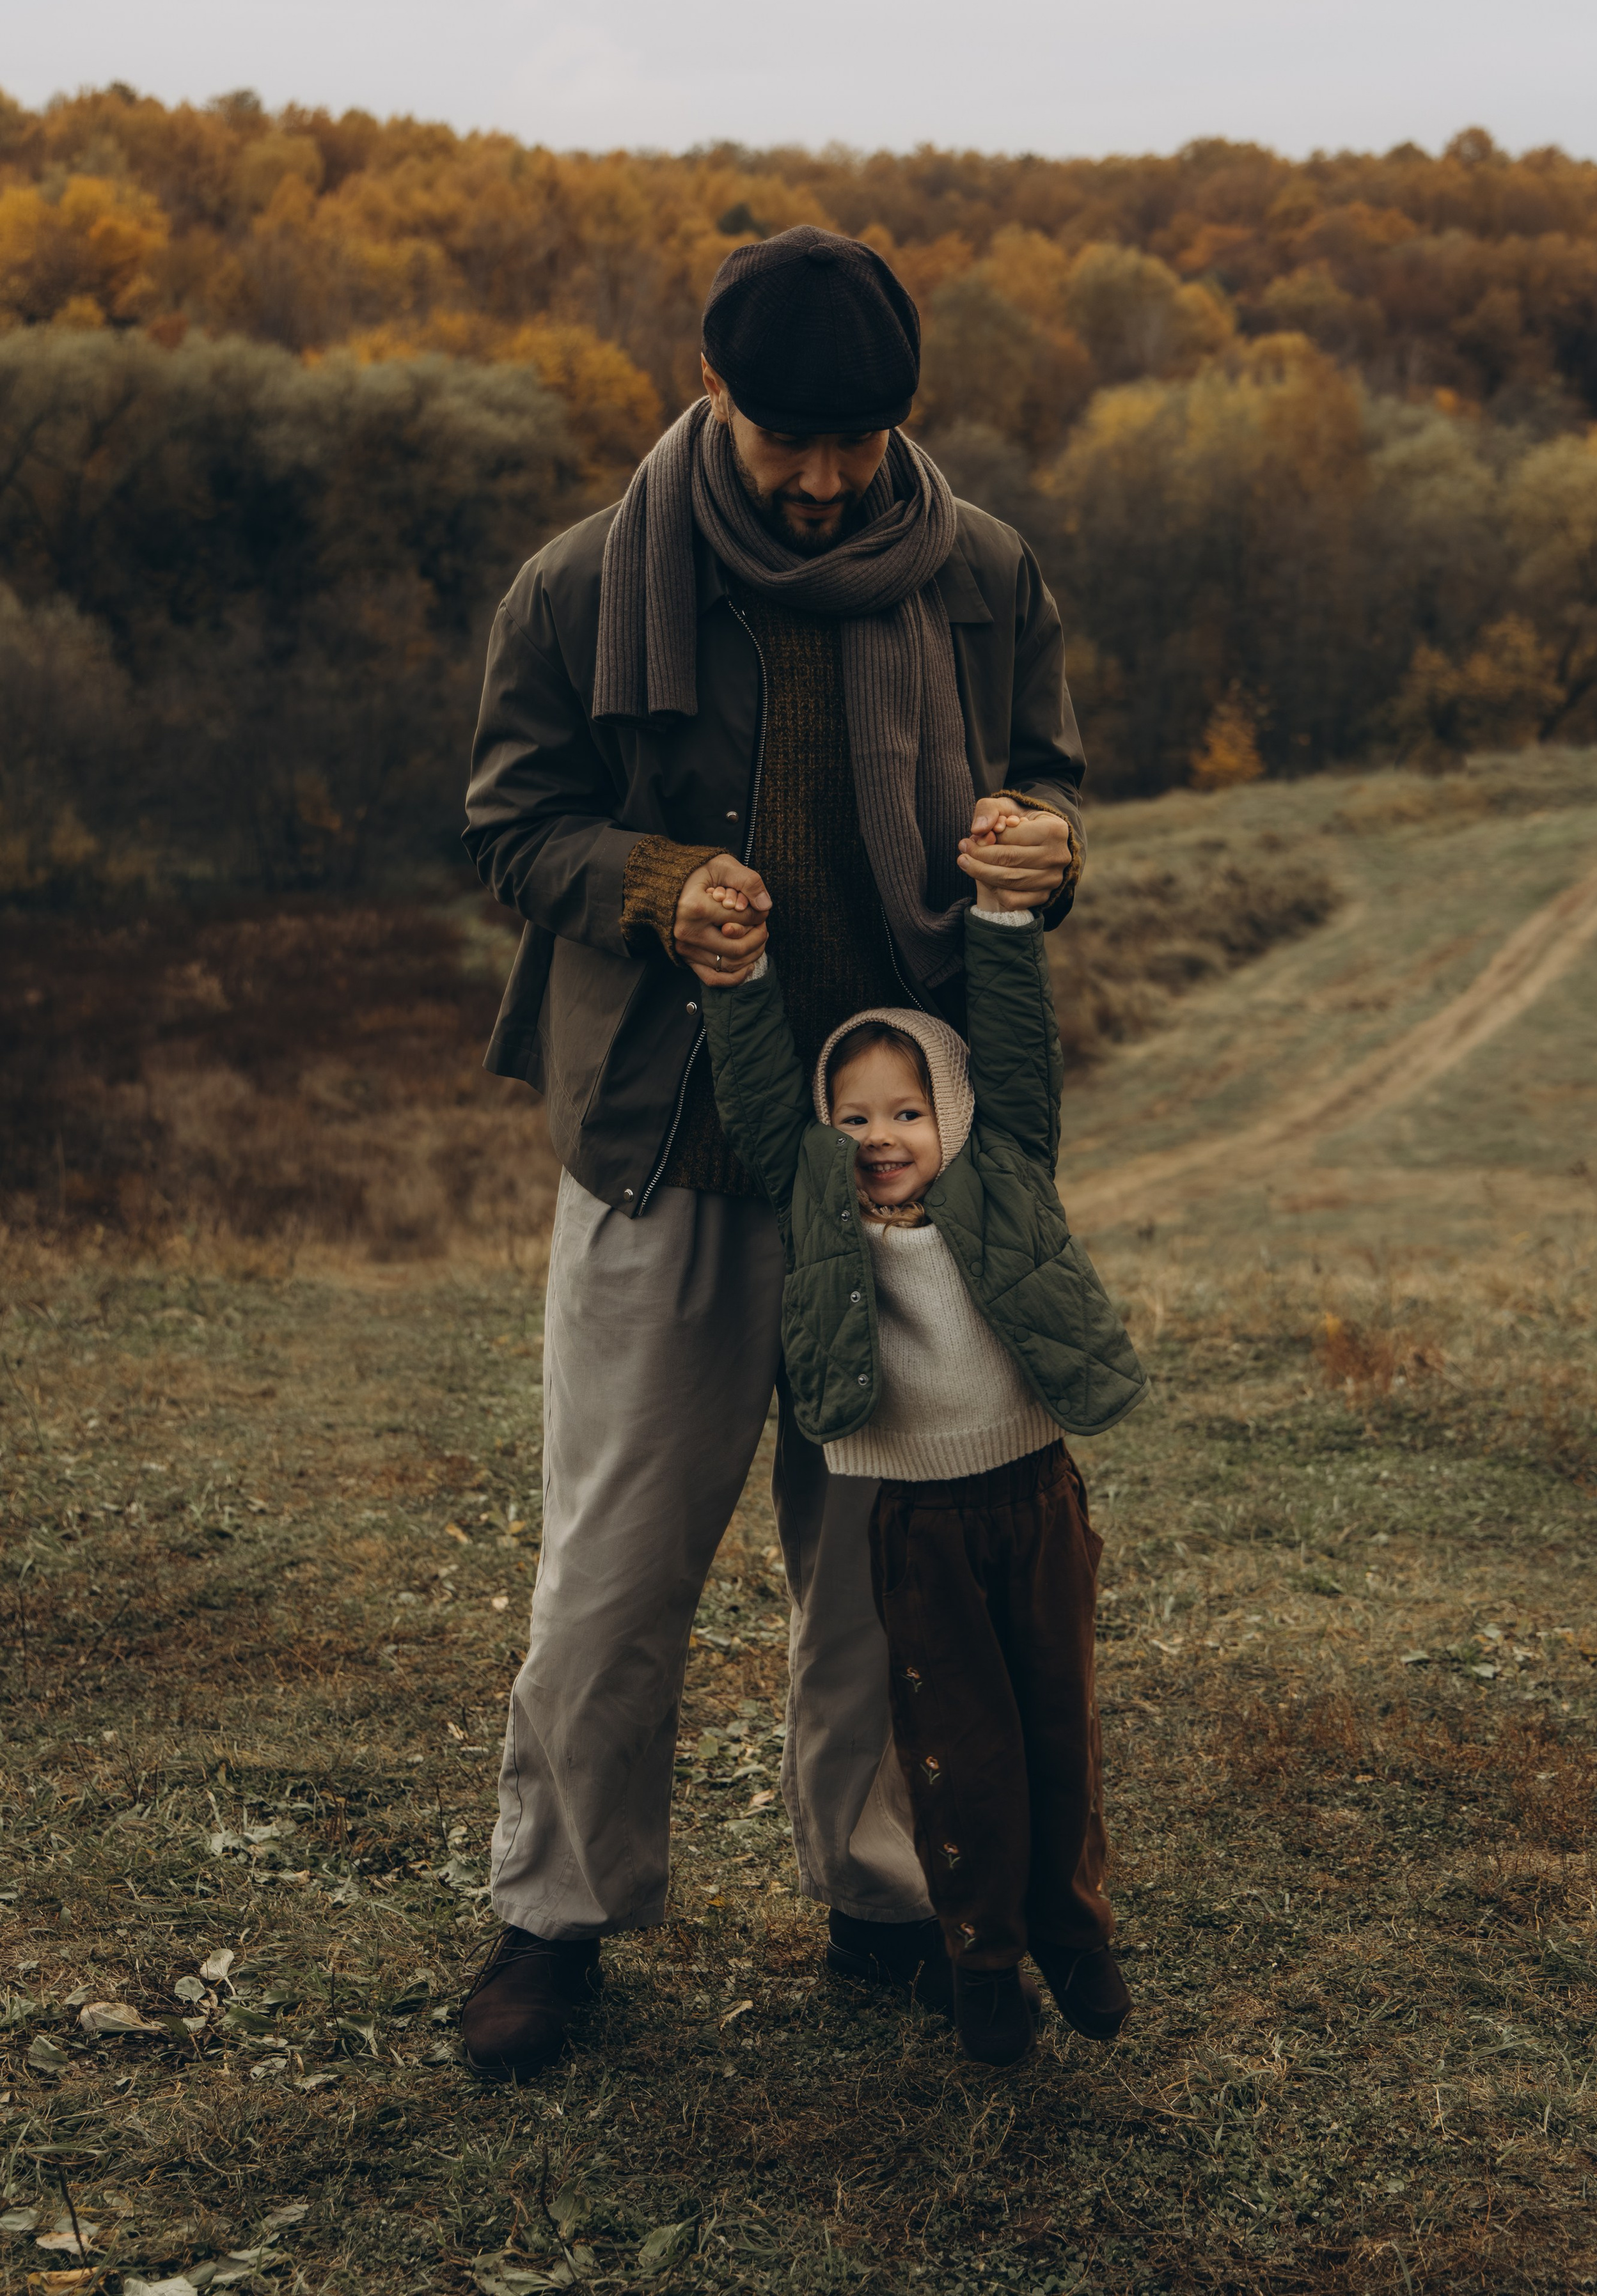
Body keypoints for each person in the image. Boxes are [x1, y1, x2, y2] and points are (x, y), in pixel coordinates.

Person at [460, 224, 1090, 2077]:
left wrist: (1048, 848)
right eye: (787, 441)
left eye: (860, 441)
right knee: (615, 1565)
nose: (824, 484)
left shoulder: (982, 574)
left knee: (884, 1568)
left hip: (904, 1165)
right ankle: (555, 1923)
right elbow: (511, 824)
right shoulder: (584, 587)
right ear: (713, 392)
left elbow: (1048, 777)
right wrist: (651, 884)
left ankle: (890, 1896)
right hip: (668, 1154)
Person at [697, 831, 1145, 2065]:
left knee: (1059, 1723)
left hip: (1035, 1496)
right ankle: (983, 1961)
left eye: (906, 1110)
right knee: (961, 1751)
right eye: (852, 1113)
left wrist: (1005, 918)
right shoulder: (814, 1193)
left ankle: (1073, 1931)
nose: (879, 1135)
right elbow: (749, 1085)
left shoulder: (1007, 1166)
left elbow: (1014, 1040)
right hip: (916, 1525)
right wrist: (737, 985)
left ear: (951, 1112)